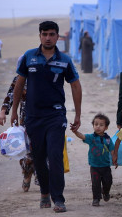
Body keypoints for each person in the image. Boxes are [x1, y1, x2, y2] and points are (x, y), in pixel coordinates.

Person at [11, 21, 82, 213]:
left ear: (58, 36)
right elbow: (19, 84)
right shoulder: (29, 57)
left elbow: (75, 85)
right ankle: (44, 193)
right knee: (39, 157)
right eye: (45, 34)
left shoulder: (65, 60)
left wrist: (78, 114)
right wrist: (14, 110)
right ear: (40, 36)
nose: (48, 37)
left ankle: (58, 198)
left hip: (56, 115)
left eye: (52, 34)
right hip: (33, 116)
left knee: (55, 156)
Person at [0, 74, 37, 192]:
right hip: (26, 121)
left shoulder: (44, 74)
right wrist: (3, 111)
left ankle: (41, 176)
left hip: (45, 118)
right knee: (27, 151)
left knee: (44, 148)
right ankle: (27, 173)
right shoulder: (20, 78)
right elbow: (11, 95)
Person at [71, 113, 114, 206]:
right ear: (93, 125)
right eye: (96, 124)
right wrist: (75, 132)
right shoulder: (91, 137)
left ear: (106, 127)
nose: (98, 127)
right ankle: (96, 199)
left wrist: (115, 159)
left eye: (101, 125)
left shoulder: (108, 139)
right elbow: (82, 136)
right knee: (95, 184)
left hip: (106, 166)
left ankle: (106, 192)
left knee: (108, 182)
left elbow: (112, 150)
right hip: (94, 166)